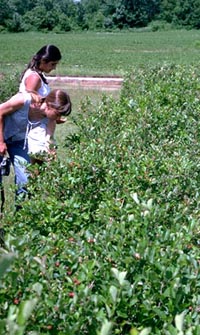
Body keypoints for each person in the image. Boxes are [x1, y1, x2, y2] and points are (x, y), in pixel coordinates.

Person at [0, 89, 71, 207]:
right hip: (1, 135)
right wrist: (1, 142)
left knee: (25, 179)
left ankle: (20, 220)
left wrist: (50, 152)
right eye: (58, 113)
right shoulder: (24, 100)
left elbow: (49, 138)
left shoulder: (50, 120)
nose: (59, 117)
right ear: (50, 105)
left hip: (19, 142)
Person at [19, 45, 62, 163]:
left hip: (40, 126)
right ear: (43, 61)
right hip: (36, 127)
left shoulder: (38, 74)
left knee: (41, 164)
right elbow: (30, 103)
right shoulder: (34, 77)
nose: (54, 68)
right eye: (53, 64)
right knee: (39, 164)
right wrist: (49, 113)